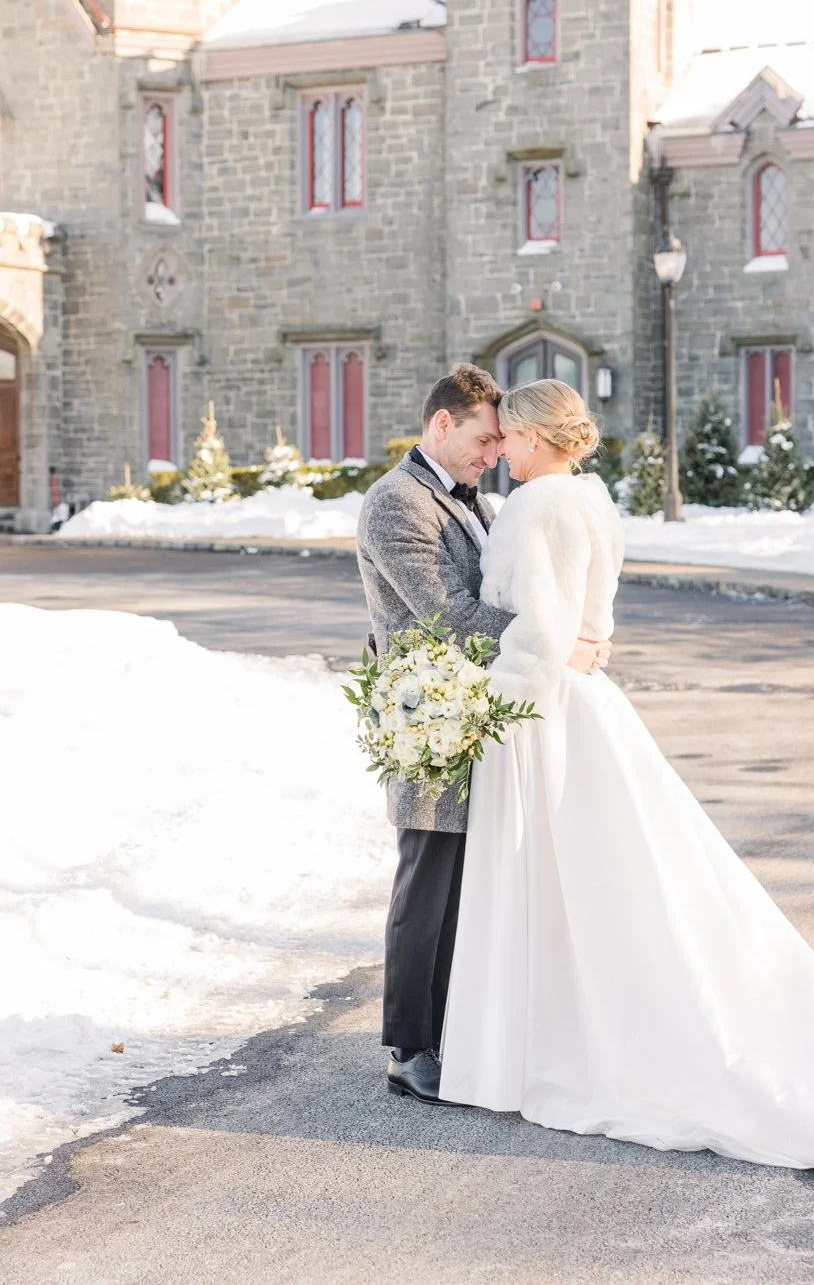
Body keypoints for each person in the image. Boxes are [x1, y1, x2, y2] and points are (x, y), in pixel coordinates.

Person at [439, 378, 814, 1186]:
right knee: (611, 876)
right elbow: (590, 621)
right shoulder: (594, 500)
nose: (503, 454)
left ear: (535, 439)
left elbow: (543, 633)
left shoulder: (534, 507)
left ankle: (542, 1041)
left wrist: (494, 703)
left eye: (511, 440)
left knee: (554, 876)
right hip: (590, 702)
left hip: (542, 711)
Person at [355, 365, 610, 1104]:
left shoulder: (479, 502)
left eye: (503, 441)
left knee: (473, 882)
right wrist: (559, 643)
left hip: (483, 710)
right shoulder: (396, 504)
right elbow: (449, 614)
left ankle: (457, 1027)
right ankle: (409, 1047)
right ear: (442, 425)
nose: (494, 453)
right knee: (428, 879)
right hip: (431, 719)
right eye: (484, 438)